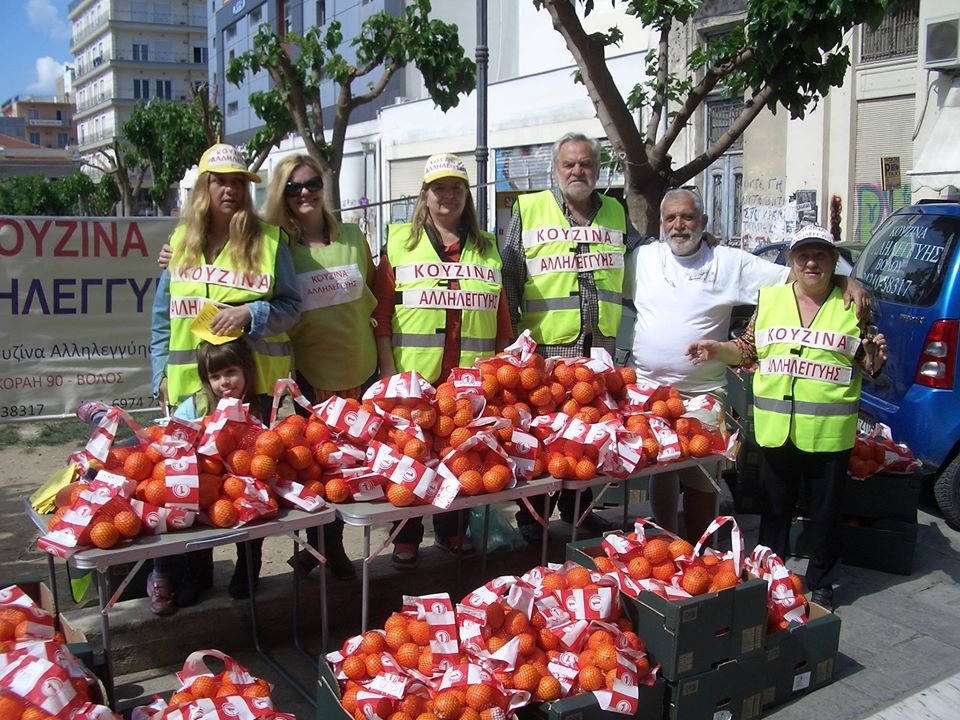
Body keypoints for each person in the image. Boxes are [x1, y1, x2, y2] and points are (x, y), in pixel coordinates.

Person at [623, 188, 867, 543]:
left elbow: (797, 276)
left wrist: (847, 280)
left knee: (699, 473)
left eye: (688, 217)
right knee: (659, 469)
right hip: (646, 387)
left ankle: (700, 549)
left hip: (702, 392)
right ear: (661, 224)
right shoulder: (643, 259)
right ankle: (665, 542)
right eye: (670, 218)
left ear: (703, 222)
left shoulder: (730, 262)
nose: (679, 225)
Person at [686, 224, 887, 609]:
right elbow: (747, 351)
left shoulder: (852, 303)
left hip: (828, 432)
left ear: (833, 261)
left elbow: (868, 362)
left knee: (825, 513)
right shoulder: (772, 301)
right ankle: (770, 572)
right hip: (778, 429)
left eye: (821, 255)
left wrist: (876, 358)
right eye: (804, 256)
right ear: (792, 262)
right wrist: (716, 349)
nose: (812, 262)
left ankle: (823, 580)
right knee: (774, 511)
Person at [150, 142, 301, 600]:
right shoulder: (179, 245)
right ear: (204, 187)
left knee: (248, 479)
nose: (230, 189)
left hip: (249, 389)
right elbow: (162, 317)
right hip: (190, 391)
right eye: (221, 181)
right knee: (193, 483)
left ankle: (247, 567)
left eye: (238, 182)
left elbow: (292, 308)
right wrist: (159, 373)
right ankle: (195, 574)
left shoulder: (270, 241)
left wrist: (250, 315)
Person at [372, 153, 514, 568]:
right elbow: (382, 315)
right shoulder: (400, 243)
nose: (447, 196)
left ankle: (452, 532)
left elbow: (501, 318)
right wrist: (387, 372)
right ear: (425, 195)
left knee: (459, 457)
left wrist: (500, 372)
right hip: (413, 378)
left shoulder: (486, 249)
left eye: (455, 188)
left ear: (466, 195)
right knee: (412, 456)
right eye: (439, 189)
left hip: (470, 379)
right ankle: (407, 536)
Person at [501, 132, 638, 544]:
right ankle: (534, 519)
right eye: (569, 164)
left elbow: (644, 255)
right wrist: (513, 344)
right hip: (548, 351)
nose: (578, 171)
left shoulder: (616, 212)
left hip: (599, 348)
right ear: (556, 169)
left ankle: (580, 511)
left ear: (598, 169)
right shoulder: (531, 209)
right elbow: (509, 275)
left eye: (586, 164)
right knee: (545, 435)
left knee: (590, 432)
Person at [261, 153, 378, 581]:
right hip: (312, 380)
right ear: (282, 195)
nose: (304, 193)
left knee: (359, 468)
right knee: (322, 469)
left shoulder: (352, 236)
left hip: (362, 371)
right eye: (293, 187)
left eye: (311, 183)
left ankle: (317, 550)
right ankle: (331, 549)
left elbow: (375, 293)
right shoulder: (278, 247)